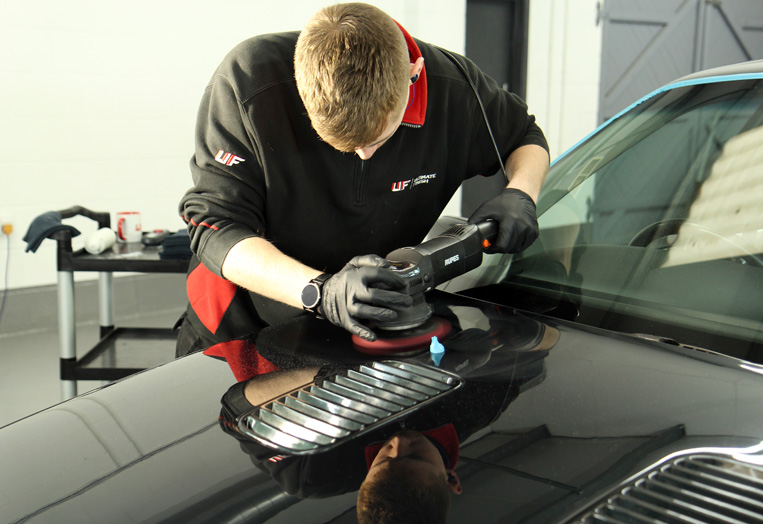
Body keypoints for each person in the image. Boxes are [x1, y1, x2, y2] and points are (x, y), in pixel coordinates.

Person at [176, 2, 550, 356]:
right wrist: (319, 293)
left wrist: (521, 192)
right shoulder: (249, 82)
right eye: (341, 144)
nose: (363, 155)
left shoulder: (455, 90)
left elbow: (524, 136)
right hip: (237, 330)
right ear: (298, 86)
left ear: (413, 76)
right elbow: (214, 225)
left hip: (371, 324)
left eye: (377, 139)